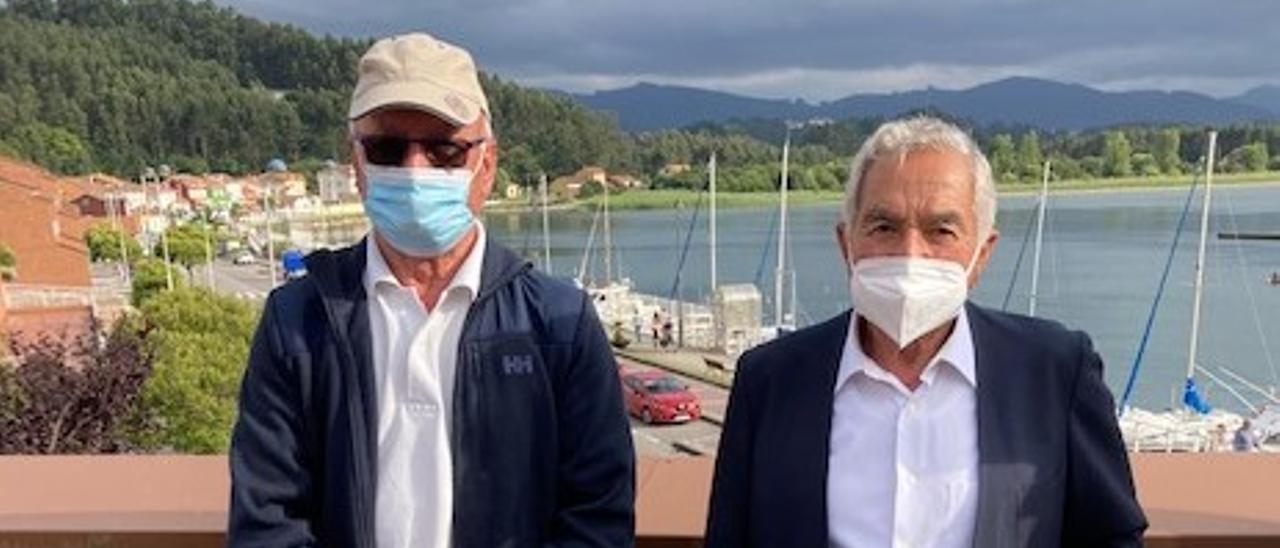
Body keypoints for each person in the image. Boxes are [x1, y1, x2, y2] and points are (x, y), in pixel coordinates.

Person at [228, 33, 634, 548]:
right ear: (356, 165)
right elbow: (267, 518)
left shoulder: (559, 323)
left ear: (485, 164)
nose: (415, 169)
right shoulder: (297, 321)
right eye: (387, 147)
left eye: (444, 149)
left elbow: (597, 515)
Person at [705, 116, 1146, 547]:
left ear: (982, 252)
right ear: (846, 244)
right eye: (884, 227)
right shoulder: (769, 380)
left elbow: (1110, 534)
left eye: (941, 230)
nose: (911, 253)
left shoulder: (1055, 371)